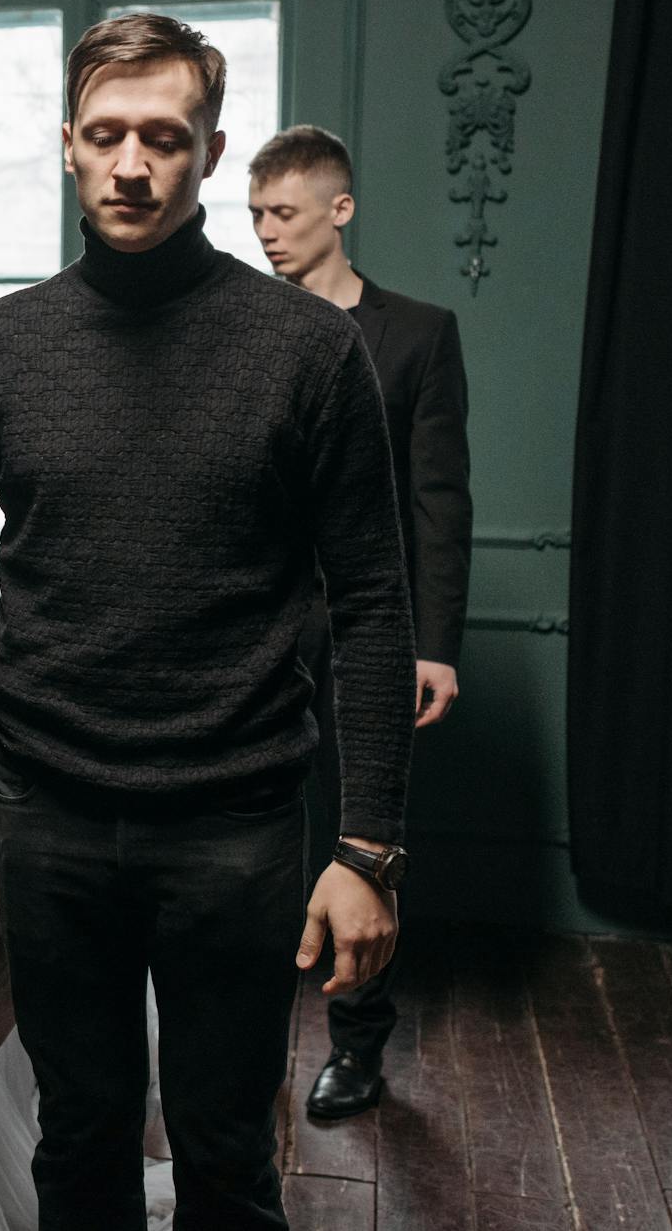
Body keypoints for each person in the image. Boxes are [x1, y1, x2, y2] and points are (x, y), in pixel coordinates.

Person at [0, 14, 417, 1230]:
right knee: (79, 1139)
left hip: (235, 821)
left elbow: (369, 601)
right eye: (105, 135)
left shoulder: (307, 352)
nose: (130, 163)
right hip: (48, 816)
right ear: (64, 146)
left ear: (208, 151)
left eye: (162, 136)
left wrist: (365, 850)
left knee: (222, 1153)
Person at [248, 124, 472, 1120]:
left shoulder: (417, 334)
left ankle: (355, 1047)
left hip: (366, 632)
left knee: (362, 837)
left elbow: (438, 499)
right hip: (250, 628)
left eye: (281, 213)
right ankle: (242, 1033)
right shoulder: (242, 326)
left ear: (338, 210)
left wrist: (434, 642)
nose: (262, 233)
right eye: (252, 213)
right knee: (246, 834)